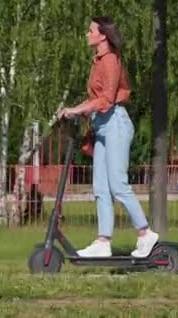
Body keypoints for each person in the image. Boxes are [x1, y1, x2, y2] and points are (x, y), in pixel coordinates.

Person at [58, 16, 158, 258]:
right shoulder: (98, 61)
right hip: (102, 125)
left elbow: (107, 99)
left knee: (117, 184)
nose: (87, 34)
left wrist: (77, 110)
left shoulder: (110, 60)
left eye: (90, 30)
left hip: (116, 124)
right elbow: (94, 100)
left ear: (103, 35)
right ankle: (103, 241)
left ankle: (145, 233)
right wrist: (72, 110)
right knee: (101, 187)